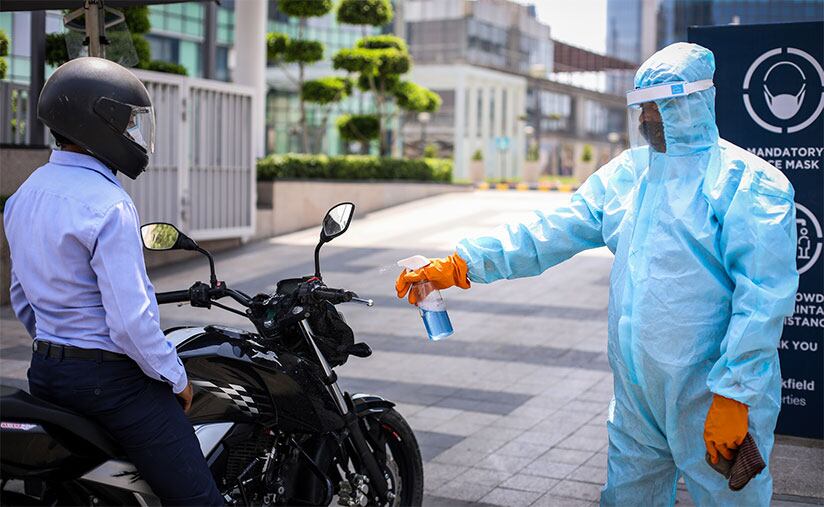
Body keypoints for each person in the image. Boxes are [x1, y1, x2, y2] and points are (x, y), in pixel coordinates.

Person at [396, 43, 798, 506]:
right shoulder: (631, 174)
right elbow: (550, 231)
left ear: (692, 104)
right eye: (642, 108)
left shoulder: (748, 183)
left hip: (711, 393)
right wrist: (461, 264)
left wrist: (736, 393)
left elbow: (763, 299)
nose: (646, 120)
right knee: (628, 497)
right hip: (636, 396)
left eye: (657, 107)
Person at [4, 57, 223, 506]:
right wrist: (176, 378)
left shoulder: (25, 194)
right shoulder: (109, 204)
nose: (133, 135)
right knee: (199, 498)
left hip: (45, 370)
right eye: (127, 123)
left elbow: (21, 296)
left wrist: (58, 345)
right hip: (110, 384)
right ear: (96, 120)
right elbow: (129, 322)